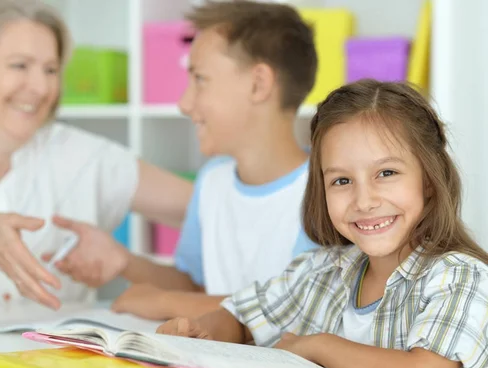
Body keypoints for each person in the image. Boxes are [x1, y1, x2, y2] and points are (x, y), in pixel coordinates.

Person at [157, 80, 488, 368]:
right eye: (342, 180)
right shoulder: (319, 272)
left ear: (429, 180)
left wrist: (317, 345)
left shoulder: (461, 277)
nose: (364, 200)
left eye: (386, 173)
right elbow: (240, 317)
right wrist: (200, 334)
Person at [0, 0, 191, 310]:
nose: (41, 87)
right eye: (20, 65)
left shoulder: (82, 155)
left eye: (51, 69)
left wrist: (126, 261)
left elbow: (207, 207)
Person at [49, 0, 318, 320]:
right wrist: (124, 261)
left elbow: (292, 309)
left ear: (258, 84)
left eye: (200, 79)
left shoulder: (324, 190)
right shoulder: (213, 181)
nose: (184, 103)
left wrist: (165, 303)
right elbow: (195, 288)